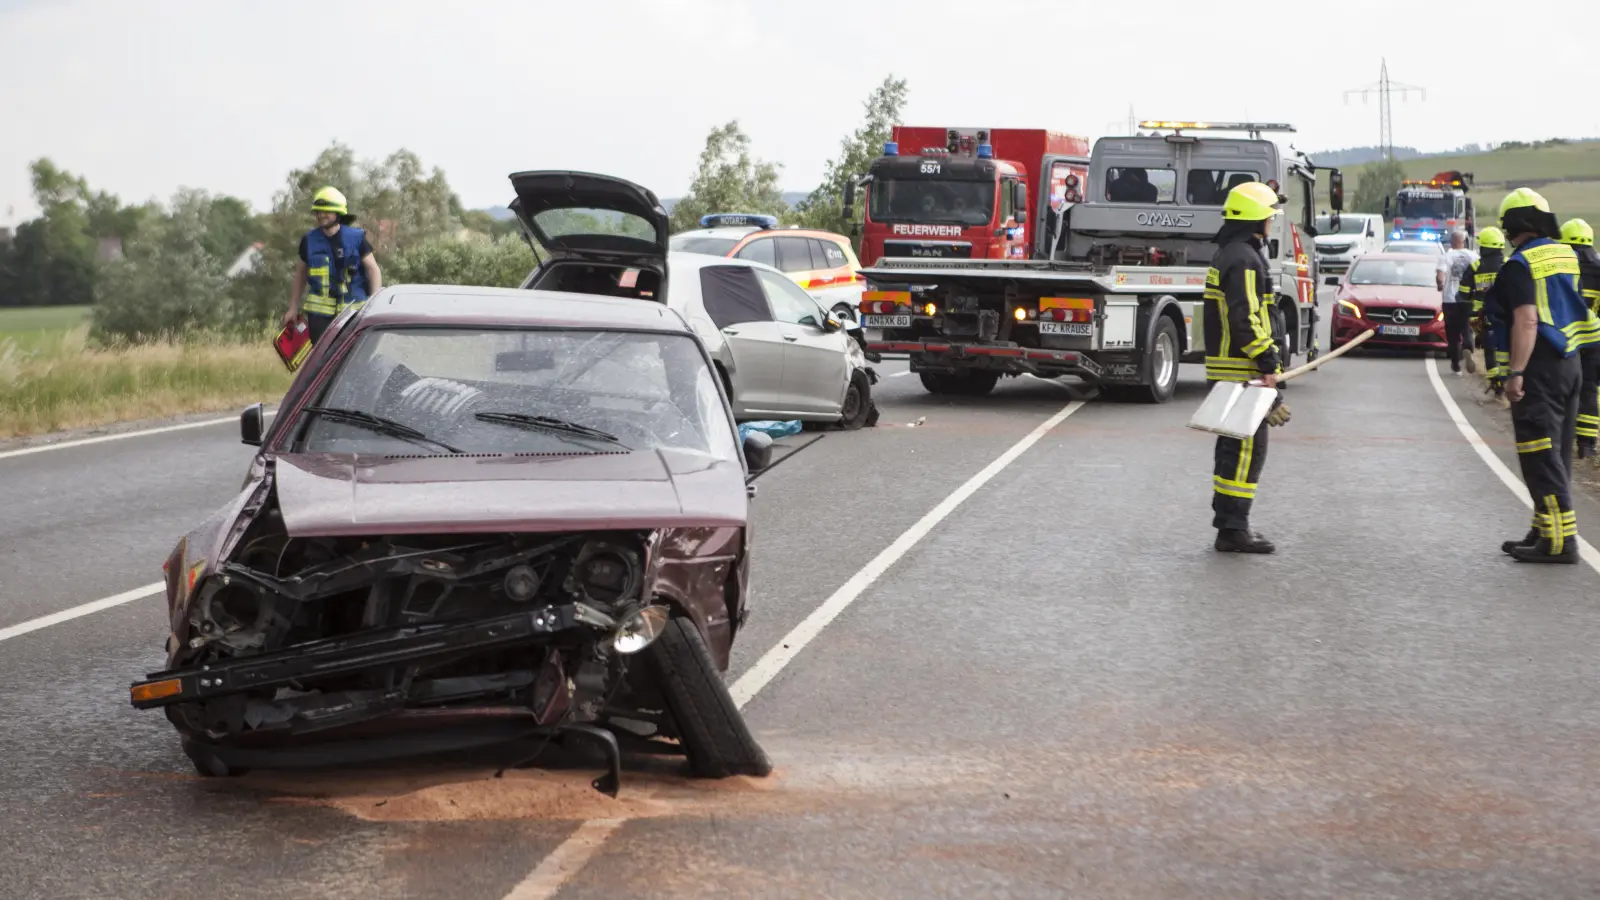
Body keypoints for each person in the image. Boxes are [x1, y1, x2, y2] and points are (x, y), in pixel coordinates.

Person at [1494, 188, 1600, 563]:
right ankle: (1544, 529)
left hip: (1539, 367)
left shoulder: (1519, 264)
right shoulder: (1566, 255)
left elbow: (1527, 320)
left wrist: (1515, 373)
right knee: (1556, 454)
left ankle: (1560, 543)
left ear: (1513, 224)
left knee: (1539, 455)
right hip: (1571, 364)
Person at [1203, 181, 1286, 554]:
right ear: (1257, 218)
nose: (1271, 221)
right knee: (1246, 453)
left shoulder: (1231, 253)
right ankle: (1233, 530)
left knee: (1233, 451)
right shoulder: (1244, 259)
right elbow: (1247, 318)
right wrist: (1267, 361)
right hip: (1243, 371)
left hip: (1234, 370)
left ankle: (1232, 524)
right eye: (1270, 215)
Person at [283, 186, 382, 343]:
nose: (321, 215)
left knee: (353, 355)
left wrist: (375, 304)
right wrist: (292, 308)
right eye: (318, 212)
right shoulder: (309, 241)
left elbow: (373, 270)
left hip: (353, 314)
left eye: (326, 211)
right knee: (323, 357)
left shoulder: (356, 238)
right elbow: (300, 274)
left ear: (338, 212)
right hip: (320, 318)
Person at [1557, 218, 1600, 457]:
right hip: (1594, 339)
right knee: (1590, 389)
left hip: (1566, 338)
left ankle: (1562, 436)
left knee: (1562, 388)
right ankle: (1587, 444)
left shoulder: (1561, 267)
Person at [1465, 226, 1508, 396]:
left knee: (1489, 348)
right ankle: (1504, 379)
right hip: (1505, 314)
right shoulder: (1509, 264)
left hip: (1481, 316)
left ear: (1483, 246)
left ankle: (1495, 381)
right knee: (1505, 348)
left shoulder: (1476, 266)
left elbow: (1463, 292)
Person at [1438, 229, 1479, 374]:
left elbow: (1440, 277)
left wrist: (1440, 286)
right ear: (1463, 242)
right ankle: (1468, 348)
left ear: (1451, 242)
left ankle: (1456, 365)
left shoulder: (1446, 256)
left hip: (1450, 300)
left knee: (1452, 333)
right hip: (1468, 298)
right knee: (1467, 327)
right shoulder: (1473, 256)